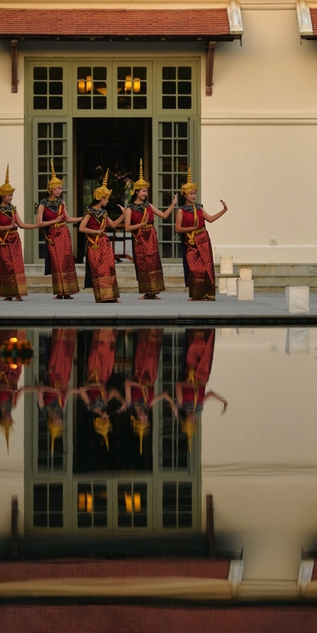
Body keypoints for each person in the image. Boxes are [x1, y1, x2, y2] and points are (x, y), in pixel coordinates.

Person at [0, 165, 60, 301]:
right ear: (2, 196)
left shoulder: (13, 209)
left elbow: (21, 224)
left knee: (17, 266)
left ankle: (18, 293)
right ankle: (8, 294)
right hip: (3, 241)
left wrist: (36, 226)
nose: (11, 198)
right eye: (9, 196)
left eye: (12, 195)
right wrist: (9, 226)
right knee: (7, 267)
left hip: (14, 240)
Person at [123, 159, 177, 300]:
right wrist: (142, 224)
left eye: (146, 191)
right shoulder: (130, 208)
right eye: (143, 191)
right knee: (142, 263)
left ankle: (154, 291)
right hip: (139, 238)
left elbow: (164, 215)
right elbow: (127, 227)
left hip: (151, 236)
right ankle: (147, 292)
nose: (145, 193)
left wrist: (173, 204)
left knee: (153, 262)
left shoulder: (148, 205)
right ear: (136, 192)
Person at [174, 165, 228, 301]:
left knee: (206, 267)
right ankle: (195, 295)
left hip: (203, 239)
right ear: (185, 195)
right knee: (194, 268)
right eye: (191, 193)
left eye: (194, 193)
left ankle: (208, 294)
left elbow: (210, 219)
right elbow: (178, 229)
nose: (193, 195)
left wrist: (224, 210)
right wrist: (192, 228)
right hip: (191, 242)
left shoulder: (199, 207)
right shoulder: (181, 210)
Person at [124, 328, 176, 454]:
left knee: (144, 344)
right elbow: (164, 395)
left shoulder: (130, 403)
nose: (146, 417)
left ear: (137, 419)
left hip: (140, 370)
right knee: (153, 347)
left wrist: (141, 386)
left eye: (143, 419)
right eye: (146, 420)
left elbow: (127, 383)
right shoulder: (148, 404)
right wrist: (172, 405)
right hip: (151, 372)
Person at [175, 329, 227, 451]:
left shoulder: (182, 403)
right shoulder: (199, 406)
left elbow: (178, 384)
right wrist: (223, 401)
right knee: (206, 348)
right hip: (202, 374)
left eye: (191, 421)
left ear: (186, 420)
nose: (194, 420)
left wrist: (189, 385)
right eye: (194, 422)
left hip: (191, 370)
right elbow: (211, 394)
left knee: (195, 345)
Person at [36, 161, 82, 299]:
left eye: (61, 188)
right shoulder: (43, 204)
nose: (61, 191)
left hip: (63, 234)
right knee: (56, 263)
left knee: (66, 261)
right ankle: (59, 292)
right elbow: (39, 223)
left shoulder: (62, 202)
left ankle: (67, 292)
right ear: (52, 189)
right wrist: (54, 221)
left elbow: (68, 219)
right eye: (59, 188)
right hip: (52, 236)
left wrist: (83, 217)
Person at [78, 170, 124, 303]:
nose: (108, 200)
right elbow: (81, 228)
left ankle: (112, 296)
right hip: (94, 243)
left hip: (105, 243)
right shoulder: (89, 212)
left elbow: (113, 225)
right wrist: (97, 232)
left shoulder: (103, 212)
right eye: (106, 198)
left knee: (109, 268)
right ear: (100, 198)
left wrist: (124, 214)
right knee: (99, 270)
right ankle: (102, 296)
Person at [78, 328, 123, 448]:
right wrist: (122, 401)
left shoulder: (90, 406)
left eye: (105, 419)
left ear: (100, 420)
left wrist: (96, 386)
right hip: (105, 372)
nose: (107, 417)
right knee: (109, 347)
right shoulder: (104, 405)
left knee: (100, 345)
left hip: (95, 371)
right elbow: (112, 392)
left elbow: (81, 389)